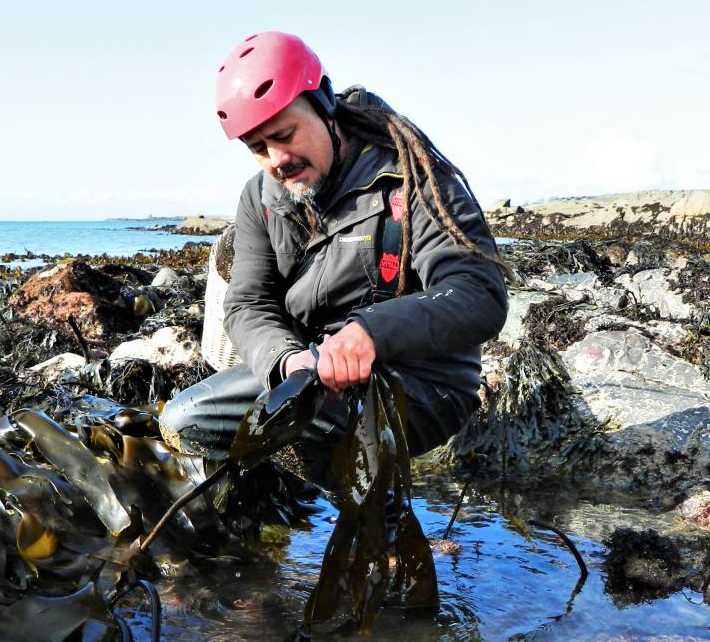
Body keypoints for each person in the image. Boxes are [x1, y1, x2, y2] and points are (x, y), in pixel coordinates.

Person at [159, 31, 508, 502]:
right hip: (313, 373)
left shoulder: (410, 173)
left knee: (239, 420)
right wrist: (286, 361)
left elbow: (478, 292)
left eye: (285, 135)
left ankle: (375, 518)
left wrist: (369, 332)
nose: (277, 160)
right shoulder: (259, 198)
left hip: (423, 385)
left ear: (323, 102)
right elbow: (247, 303)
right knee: (185, 421)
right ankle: (273, 518)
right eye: (258, 147)